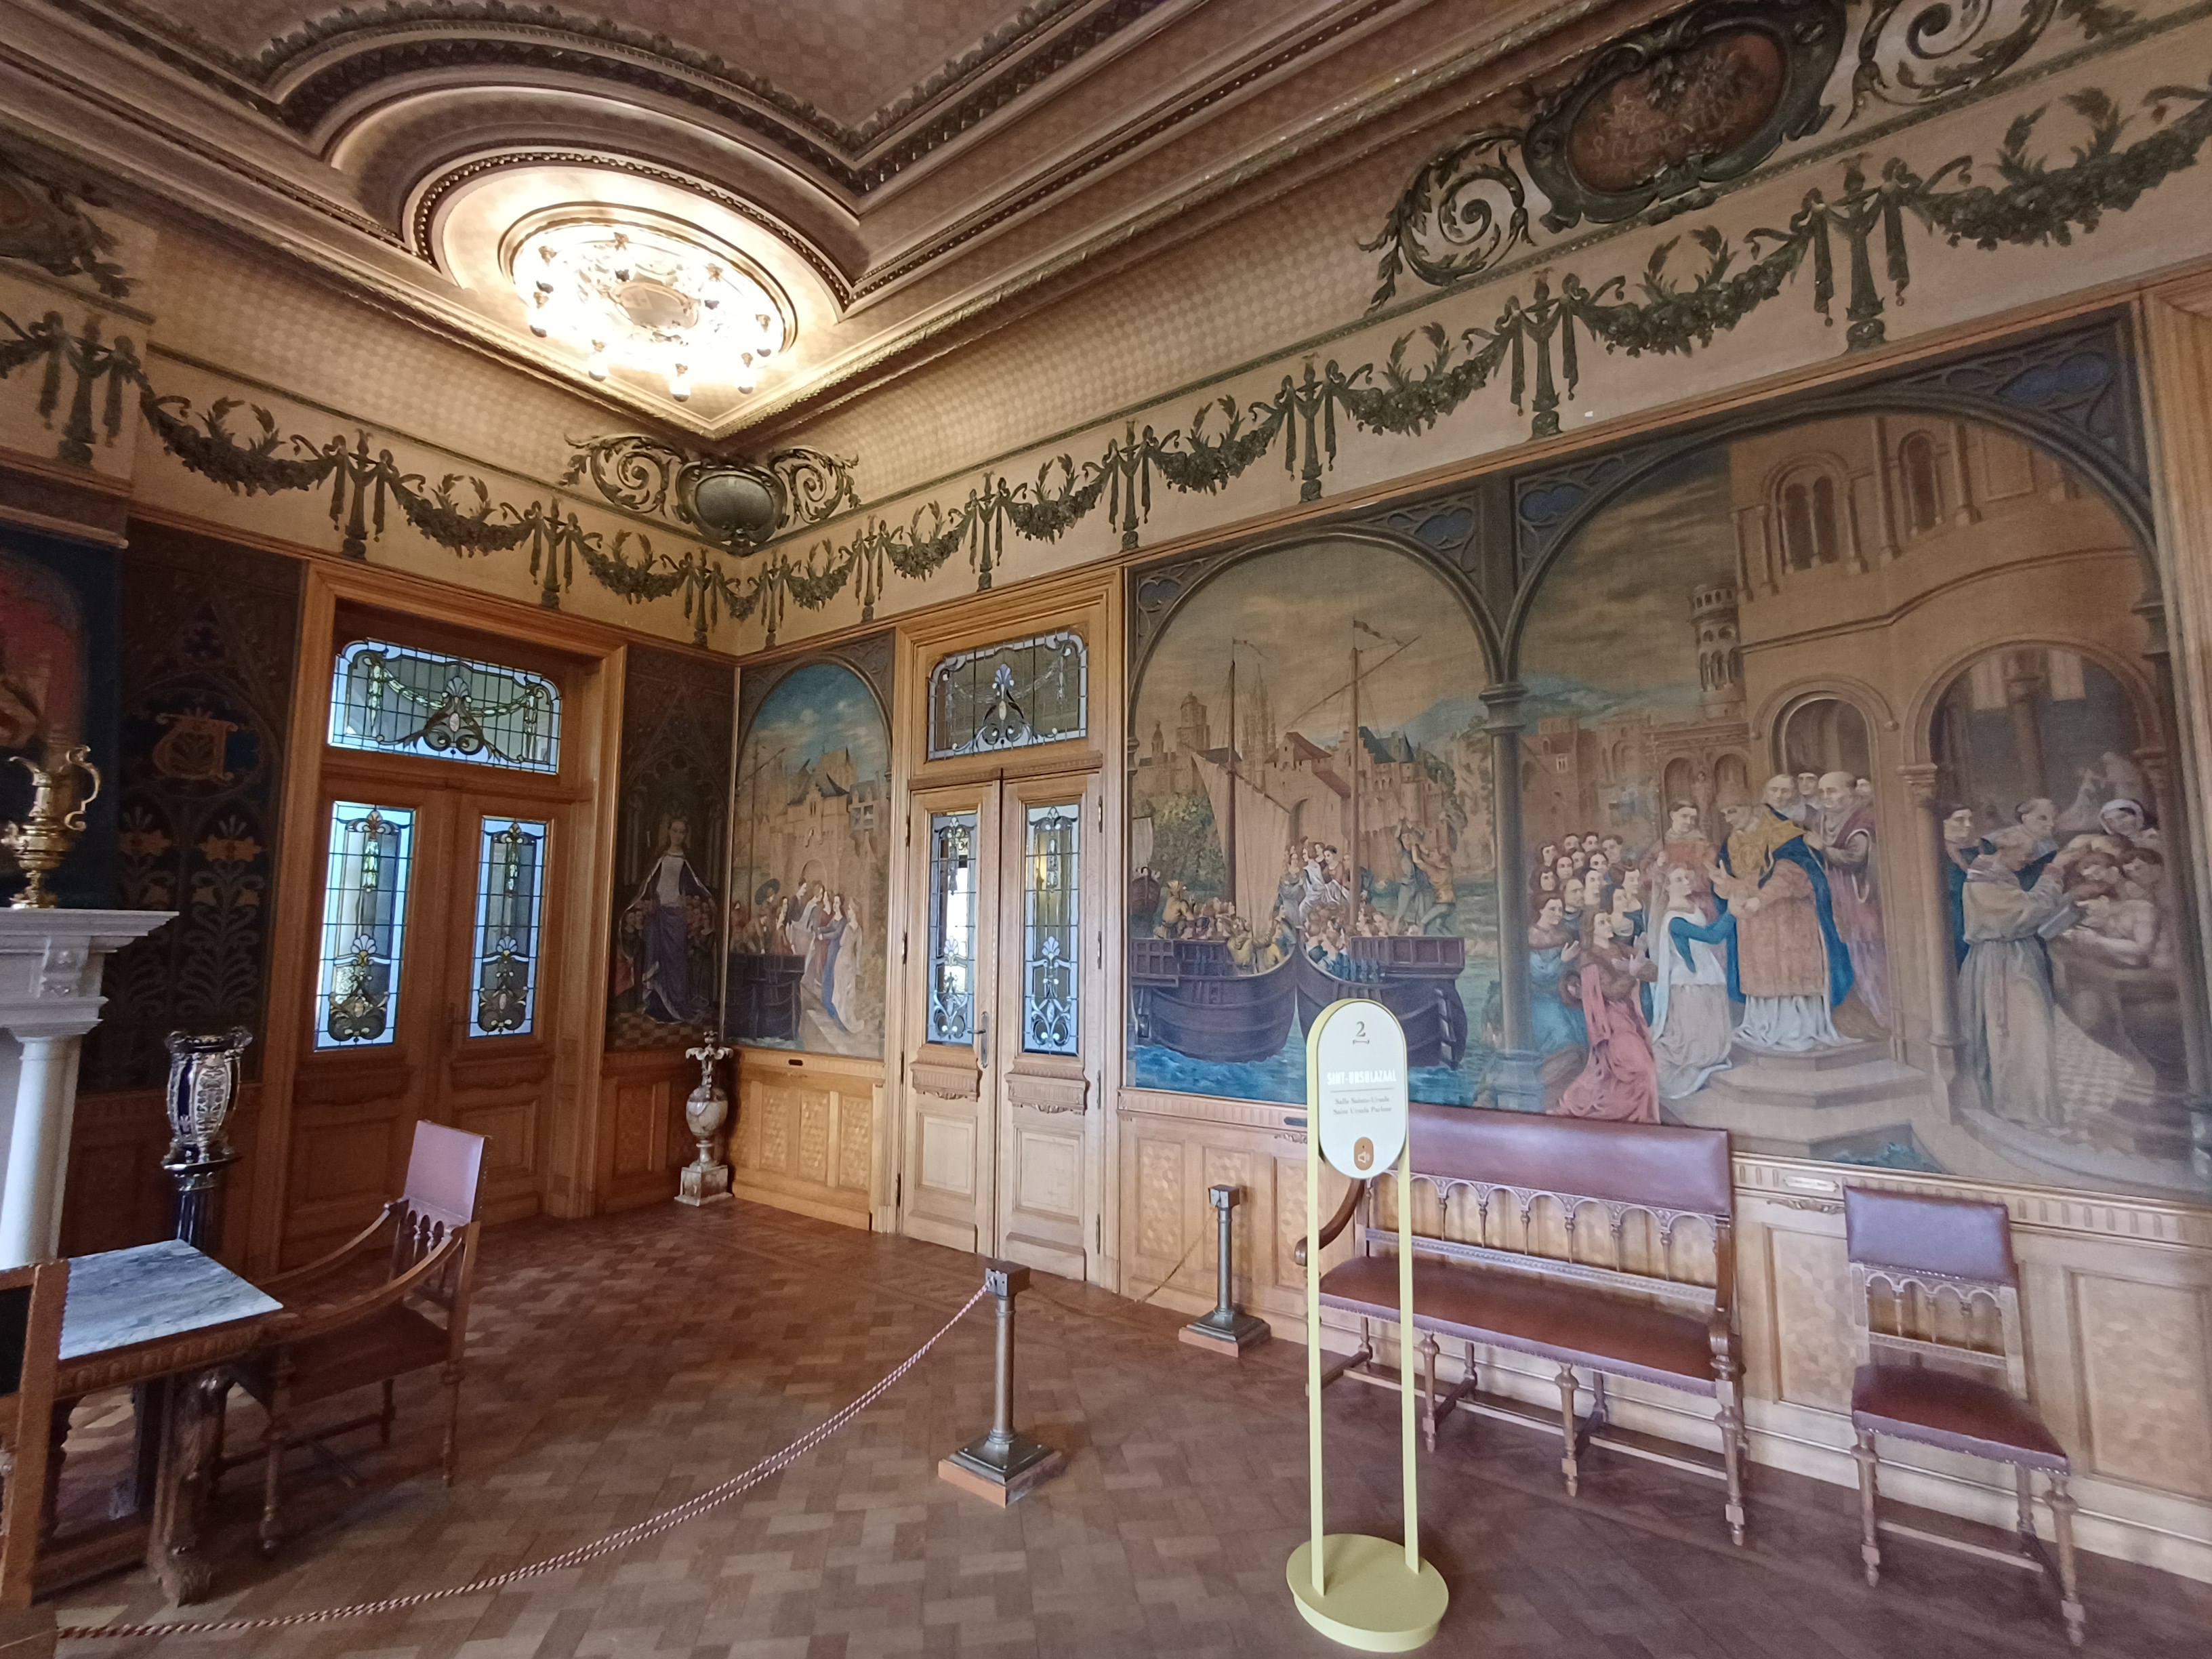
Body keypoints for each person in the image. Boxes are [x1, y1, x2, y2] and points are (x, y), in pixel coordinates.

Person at [1711, 777, 1852, 1050]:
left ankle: (1799, 1030)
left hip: (1789, 917)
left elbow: (1796, 872)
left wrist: (1760, 898)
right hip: (1755, 923)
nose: (1728, 818)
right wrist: (1723, 886)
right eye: (1724, 813)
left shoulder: (1782, 832)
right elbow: (1730, 881)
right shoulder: (1732, 842)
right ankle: (1763, 1026)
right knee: (1763, 975)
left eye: (1733, 811)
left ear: (1750, 807)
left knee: (1791, 972)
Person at [1959, 825, 2076, 1126]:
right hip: (2002, 961)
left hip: (2015, 956)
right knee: (2022, 1031)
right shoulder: (1983, 877)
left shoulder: (2000, 875)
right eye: (2026, 854)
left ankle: (2028, 1106)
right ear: (2006, 849)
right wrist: (2053, 874)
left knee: (2025, 1032)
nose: (2029, 861)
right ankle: (2020, 1107)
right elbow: (2024, 912)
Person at [1555, 908, 1659, 1123]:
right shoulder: (1590, 958)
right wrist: (1631, 972)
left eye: (1608, 920)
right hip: (1612, 1024)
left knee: (1642, 1072)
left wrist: (1639, 957)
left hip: (1631, 1018)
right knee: (1642, 1069)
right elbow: (1611, 991)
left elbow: (1653, 973)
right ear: (1591, 930)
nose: (1609, 924)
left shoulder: (1620, 949)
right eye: (1602, 922)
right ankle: (1639, 1121)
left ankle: (1640, 1121)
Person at [1649, 863, 1736, 1101]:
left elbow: (1707, 935)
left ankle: (1706, 1060)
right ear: (1667, 887)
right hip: (1689, 982)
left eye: (1686, 878)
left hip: (1706, 974)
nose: (1687, 882)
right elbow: (1712, 936)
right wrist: (1731, 913)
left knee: (1710, 1039)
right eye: (1679, 880)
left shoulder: (1690, 907)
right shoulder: (1673, 919)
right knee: (1693, 1044)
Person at [620, 817, 717, 1025]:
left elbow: (697, 885)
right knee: (657, 959)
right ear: (669, 832)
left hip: (677, 916)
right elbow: (648, 884)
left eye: (682, 832)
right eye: (675, 831)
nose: (678, 836)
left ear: (686, 835)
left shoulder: (687, 859)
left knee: (676, 962)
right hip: (658, 915)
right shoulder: (660, 857)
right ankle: (657, 1007)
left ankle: (677, 1005)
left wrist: (707, 899)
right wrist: (649, 902)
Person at [1812, 770, 1887, 1025]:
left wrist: (1823, 848)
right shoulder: (1822, 818)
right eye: (1822, 792)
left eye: (1831, 791)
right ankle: (1856, 1008)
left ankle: (1881, 1010)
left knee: (1867, 947)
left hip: (1860, 892)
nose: (1825, 797)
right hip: (1835, 892)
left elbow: (1856, 858)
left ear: (1851, 791)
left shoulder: (1864, 817)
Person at [1526, 895, 1587, 1059]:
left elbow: (1572, 968)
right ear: (1540, 909)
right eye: (1552, 909)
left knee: (1583, 1029)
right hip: (1542, 996)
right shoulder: (1530, 936)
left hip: (1565, 995)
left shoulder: (1564, 935)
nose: (1558, 914)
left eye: (1560, 910)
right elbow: (1540, 973)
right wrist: (1562, 961)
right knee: (1563, 1035)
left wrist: (1574, 982)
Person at [1645, 800, 1718, 919]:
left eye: (1693, 818)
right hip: (1667, 903)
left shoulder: (1704, 845)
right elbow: (1645, 877)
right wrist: (1658, 865)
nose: (1689, 822)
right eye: (1684, 816)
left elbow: (1710, 875)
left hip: (1699, 902)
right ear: (1673, 815)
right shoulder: (1660, 846)